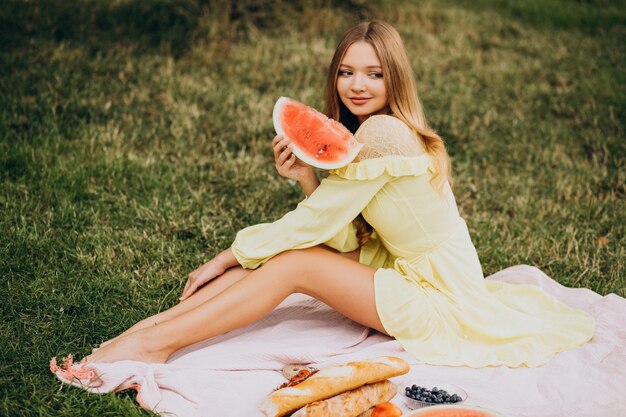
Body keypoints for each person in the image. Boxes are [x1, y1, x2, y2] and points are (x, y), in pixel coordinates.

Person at [85, 20, 594, 367]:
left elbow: (314, 230)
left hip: (440, 299)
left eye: (374, 73)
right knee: (275, 262)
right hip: (406, 278)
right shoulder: (364, 137)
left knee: (292, 263)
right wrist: (307, 180)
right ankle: (141, 336)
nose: (357, 85)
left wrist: (225, 255)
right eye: (346, 72)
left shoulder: (383, 135)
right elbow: (348, 238)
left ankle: (154, 345)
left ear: (395, 78)